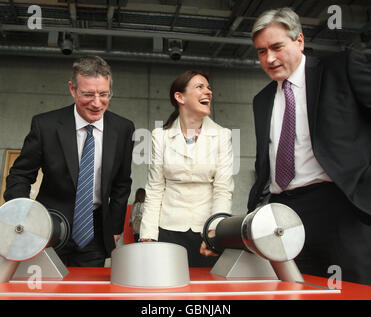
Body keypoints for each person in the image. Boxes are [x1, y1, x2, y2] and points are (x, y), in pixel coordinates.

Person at [247, 7, 371, 285]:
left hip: (340, 207)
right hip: (285, 217)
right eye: (261, 51)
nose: (270, 58)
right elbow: (264, 162)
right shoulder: (262, 99)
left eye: (277, 47)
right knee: (294, 290)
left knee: (353, 291)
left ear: (299, 41)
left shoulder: (342, 67)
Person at [4, 56, 135, 267]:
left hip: (94, 234)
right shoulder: (45, 125)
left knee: (87, 294)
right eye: (88, 94)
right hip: (48, 229)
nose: (96, 103)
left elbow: (121, 184)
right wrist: (22, 218)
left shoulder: (123, 128)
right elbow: (20, 176)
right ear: (72, 89)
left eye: (104, 94)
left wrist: (116, 228)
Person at [140, 70, 234, 267]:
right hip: (167, 230)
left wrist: (214, 233)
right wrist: (148, 236)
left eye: (209, 88)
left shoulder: (223, 135)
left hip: (206, 232)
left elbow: (223, 190)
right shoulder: (160, 136)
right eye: (200, 87)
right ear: (179, 97)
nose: (208, 92)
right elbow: (155, 189)